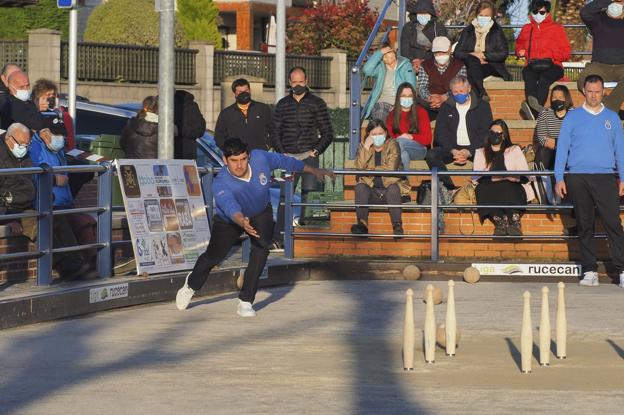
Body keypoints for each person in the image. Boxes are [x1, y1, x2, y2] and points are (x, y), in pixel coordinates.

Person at [175, 138, 334, 316]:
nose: (239, 165)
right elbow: (229, 205)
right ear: (225, 160)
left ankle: (245, 300)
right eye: (234, 161)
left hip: (260, 212)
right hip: (230, 219)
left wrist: (312, 169)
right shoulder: (221, 183)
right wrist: (241, 220)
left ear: (249, 156)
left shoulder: (260, 158)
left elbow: (285, 161)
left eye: (243, 159)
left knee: (261, 248)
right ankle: (191, 285)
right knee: (213, 256)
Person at [554, 74, 624, 288]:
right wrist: (559, 177)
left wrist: (623, 177)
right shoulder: (572, 117)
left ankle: (621, 271)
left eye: (597, 91)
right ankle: (589, 270)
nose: (594, 95)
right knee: (585, 224)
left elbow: (620, 150)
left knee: (613, 224)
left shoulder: (612, 118)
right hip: (577, 177)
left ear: (603, 92)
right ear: (584, 91)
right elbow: (562, 148)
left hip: (605, 177)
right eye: (590, 91)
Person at [0, 123, 89, 281]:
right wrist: (8, 217)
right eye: (21, 144)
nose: (24, 148)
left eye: (27, 144)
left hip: (27, 204)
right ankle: (65, 267)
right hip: (11, 209)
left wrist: (47, 199)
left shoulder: (24, 154)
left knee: (57, 218)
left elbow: (30, 182)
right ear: (8, 138)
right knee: (39, 224)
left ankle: (77, 260)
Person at [29, 81, 97, 267]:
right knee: (70, 225)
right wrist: (53, 179)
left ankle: (98, 262)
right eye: (44, 97)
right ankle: (80, 265)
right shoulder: (35, 144)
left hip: (64, 201)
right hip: (49, 202)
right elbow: (32, 172)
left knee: (87, 221)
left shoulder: (58, 148)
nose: (60, 139)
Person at [272, 66, 334, 224]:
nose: (298, 85)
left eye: (301, 81)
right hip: (288, 159)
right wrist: (281, 153)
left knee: (309, 196)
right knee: (285, 198)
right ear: (289, 82)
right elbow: (274, 132)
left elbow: (327, 132)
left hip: (309, 157)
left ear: (307, 81)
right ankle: (280, 237)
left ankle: (307, 235)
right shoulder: (282, 104)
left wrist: (317, 150)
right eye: (294, 82)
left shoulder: (317, 103)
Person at [425, 75, 493, 189]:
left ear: (469, 89)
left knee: (489, 157)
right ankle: (449, 188)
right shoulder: (446, 107)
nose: (459, 94)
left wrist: (469, 151)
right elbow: (440, 133)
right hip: (452, 147)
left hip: (475, 147)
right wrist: (453, 150)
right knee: (431, 155)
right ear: (451, 92)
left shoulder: (483, 106)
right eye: (455, 92)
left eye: (461, 91)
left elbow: (485, 133)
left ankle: (480, 190)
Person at [473, 119, 534, 236]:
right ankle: (500, 222)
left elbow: (525, 176)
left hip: (512, 185)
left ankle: (514, 221)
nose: (494, 135)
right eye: (492, 132)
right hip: (490, 187)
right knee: (482, 189)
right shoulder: (480, 152)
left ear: (504, 135)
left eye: (498, 133)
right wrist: (496, 178)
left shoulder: (514, 150)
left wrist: (514, 178)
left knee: (507, 186)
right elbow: (477, 177)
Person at [352, 120, 410, 236]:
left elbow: (391, 167)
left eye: (380, 133)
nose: (378, 136)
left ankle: (397, 225)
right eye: (374, 134)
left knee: (393, 188)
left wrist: (369, 169)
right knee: (360, 187)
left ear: (386, 133)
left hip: (390, 190)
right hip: (372, 190)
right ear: (368, 135)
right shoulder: (364, 146)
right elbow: (359, 167)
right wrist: (366, 148)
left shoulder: (393, 144)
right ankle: (362, 224)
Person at [515, 0, 571, 120]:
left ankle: (533, 110)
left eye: (542, 12)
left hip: (553, 65)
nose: (538, 14)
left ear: (547, 13)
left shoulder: (556, 28)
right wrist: (519, 51)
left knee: (544, 79)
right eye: (535, 11)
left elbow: (566, 52)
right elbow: (518, 44)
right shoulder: (527, 28)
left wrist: (552, 56)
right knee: (528, 76)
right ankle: (536, 109)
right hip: (532, 64)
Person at [453, 1, 511, 101]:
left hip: (490, 65)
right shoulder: (468, 31)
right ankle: (481, 93)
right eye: (481, 15)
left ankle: (477, 99)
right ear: (476, 15)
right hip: (471, 64)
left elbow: (503, 53)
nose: (483, 18)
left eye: (486, 15)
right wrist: (472, 55)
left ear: (492, 17)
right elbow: (457, 52)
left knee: (471, 73)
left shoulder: (496, 31)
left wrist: (483, 55)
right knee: (472, 62)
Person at [578, 0, 624, 116]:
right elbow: (584, 12)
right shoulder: (598, 20)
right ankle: (612, 110)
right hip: (599, 66)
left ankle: (607, 109)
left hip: (622, 67)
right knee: (583, 80)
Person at [362, 42, 417, 121]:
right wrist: (379, 53)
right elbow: (367, 70)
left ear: (394, 52)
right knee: (380, 116)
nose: (387, 56)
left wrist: (399, 105)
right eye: (384, 55)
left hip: (400, 102)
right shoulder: (380, 68)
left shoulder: (405, 65)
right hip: (383, 102)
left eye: (389, 52)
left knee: (399, 119)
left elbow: (411, 86)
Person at [417, 36, 467, 121]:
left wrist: (444, 97)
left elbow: (460, 88)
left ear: (449, 50)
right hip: (430, 103)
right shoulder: (425, 65)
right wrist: (430, 98)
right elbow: (422, 87)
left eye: (443, 52)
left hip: (451, 102)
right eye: (437, 53)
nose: (440, 55)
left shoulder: (459, 66)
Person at [214, 78, 272, 151]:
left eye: (246, 91)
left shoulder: (263, 109)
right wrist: (230, 152)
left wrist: (267, 145)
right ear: (235, 93)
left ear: (250, 90)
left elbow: (274, 129)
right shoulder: (226, 113)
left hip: (259, 154)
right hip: (237, 157)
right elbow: (219, 137)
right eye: (240, 92)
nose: (244, 93)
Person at [385, 82, 432, 170]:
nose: (407, 98)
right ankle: (403, 181)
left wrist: (410, 136)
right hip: (399, 149)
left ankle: (390, 175)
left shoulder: (421, 112)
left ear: (414, 98)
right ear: (398, 98)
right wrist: (401, 137)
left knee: (400, 141)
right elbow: (389, 138)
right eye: (403, 95)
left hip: (419, 149)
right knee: (403, 155)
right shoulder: (392, 115)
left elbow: (427, 139)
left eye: (410, 96)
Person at [400, 0, 448, 72]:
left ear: (431, 14)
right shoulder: (408, 27)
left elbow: (442, 48)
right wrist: (414, 61)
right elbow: (404, 49)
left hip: (433, 61)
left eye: (426, 14)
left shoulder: (439, 28)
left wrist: (424, 61)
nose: (423, 16)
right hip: (411, 62)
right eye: (420, 14)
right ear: (416, 14)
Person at [534, 85, 574, 170]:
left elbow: (577, 139)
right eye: (554, 97)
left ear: (566, 99)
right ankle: (540, 180)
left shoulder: (574, 114)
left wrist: (556, 142)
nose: (556, 100)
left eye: (560, 97)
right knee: (542, 151)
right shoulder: (545, 114)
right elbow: (542, 139)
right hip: (550, 152)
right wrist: (563, 143)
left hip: (569, 152)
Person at [173, 89, 206, 159]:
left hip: (184, 156)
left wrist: (179, 130)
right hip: (158, 156)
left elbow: (200, 129)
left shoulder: (189, 106)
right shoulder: (155, 105)